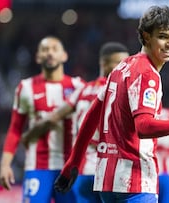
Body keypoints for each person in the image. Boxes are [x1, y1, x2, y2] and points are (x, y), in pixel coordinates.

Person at [54, 5, 169, 203]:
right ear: (146, 36)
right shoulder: (147, 74)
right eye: (163, 36)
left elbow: (91, 117)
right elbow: (144, 127)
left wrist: (73, 162)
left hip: (107, 180)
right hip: (135, 180)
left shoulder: (122, 67)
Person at [22, 41, 129, 203]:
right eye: (120, 63)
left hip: (83, 172)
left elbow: (52, 118)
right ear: (104, 64)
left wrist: (28, 136)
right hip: (110, 172)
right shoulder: (122, 93)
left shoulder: (82, 91)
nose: (125, 68)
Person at [0, 36, 85, 203]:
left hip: (70, 168)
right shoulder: (26, 87)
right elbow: (15, 129)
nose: (50, 53)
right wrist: (5, 165)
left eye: (54, 49)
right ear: (38, 57)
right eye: (45, 50)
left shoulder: (78, 86)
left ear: (64, 55)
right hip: (37, 168)